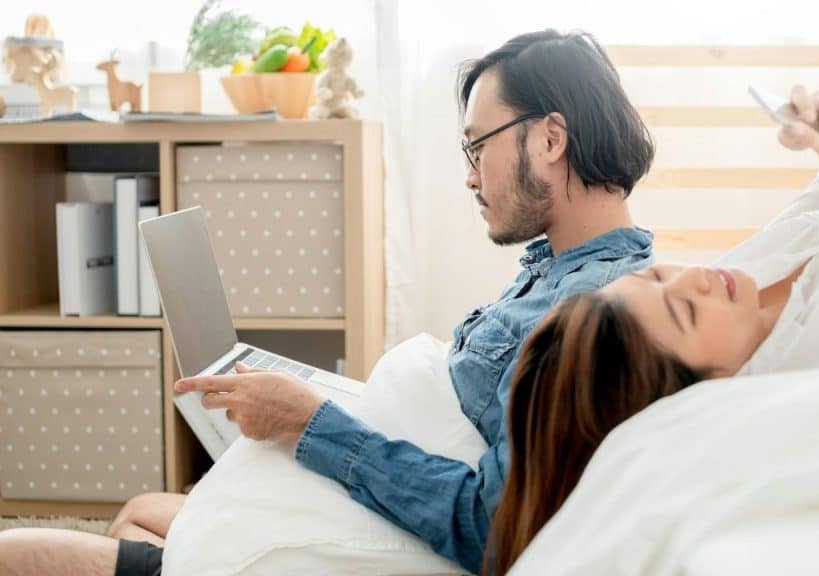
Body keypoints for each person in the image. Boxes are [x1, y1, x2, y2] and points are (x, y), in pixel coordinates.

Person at [0, 30, 655, 576]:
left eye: (477, 145)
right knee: (146, 508)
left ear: (548, 139)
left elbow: (494, 526)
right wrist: (320, 404)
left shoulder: (589, 310)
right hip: (375, 496)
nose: (469, 173)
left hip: (391, 535)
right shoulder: (561, 270)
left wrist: (312, 422)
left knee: (23, 553)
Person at [485, 87, 819, 573]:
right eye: (685, 313)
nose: (695, 278)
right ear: (692, 394)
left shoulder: (740, 280)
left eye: (656, 275)